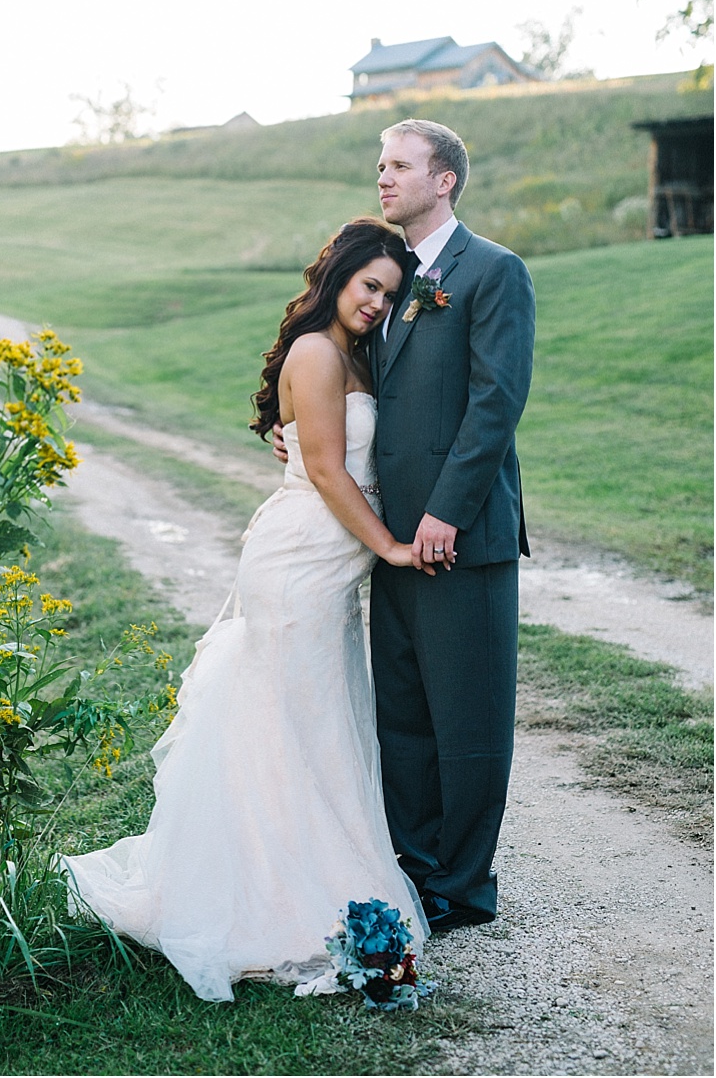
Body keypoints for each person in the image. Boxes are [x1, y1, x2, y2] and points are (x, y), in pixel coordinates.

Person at [62, 218, 432, 1002]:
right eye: (369, 286)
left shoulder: (352, 353)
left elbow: (324, 448)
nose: (376, 304)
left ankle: (304, 875)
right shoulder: (316, 351)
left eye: (391, 295)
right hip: (300, 564)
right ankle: (272, 900)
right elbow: (330, 474)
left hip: (324, 570)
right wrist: (394, 548)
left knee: (312, 725)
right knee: (286, 727)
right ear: (337, 278)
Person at [291, 118, 535, 934]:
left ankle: (463, 889)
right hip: (389, 545)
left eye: (400, 165)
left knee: (467, 721)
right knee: (404, 719)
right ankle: (415, 874)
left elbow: (495, 405)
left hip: (459, 541)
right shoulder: (389, 286)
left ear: (445, 180)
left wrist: (442, 513)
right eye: (380, 164)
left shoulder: (494, 271)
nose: (383, 177)